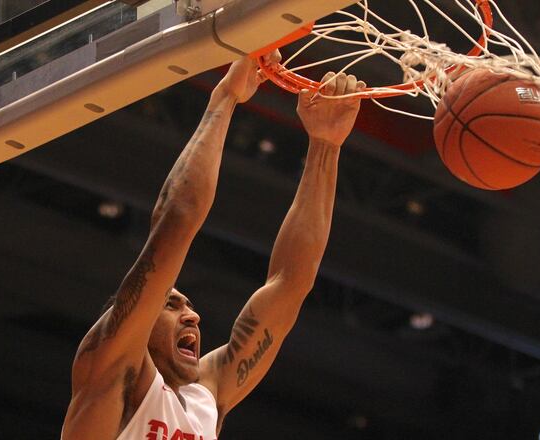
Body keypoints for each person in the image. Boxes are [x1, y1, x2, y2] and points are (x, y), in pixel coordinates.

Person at [61, 51, 366, 439]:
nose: (193, 316)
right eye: (170, 304)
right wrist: (225, 96)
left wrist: (325, 145)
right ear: (136, 318)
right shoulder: (106, 369)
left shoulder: (205, 398)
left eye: (187, 305)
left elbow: (289, 285)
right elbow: (177, 221)